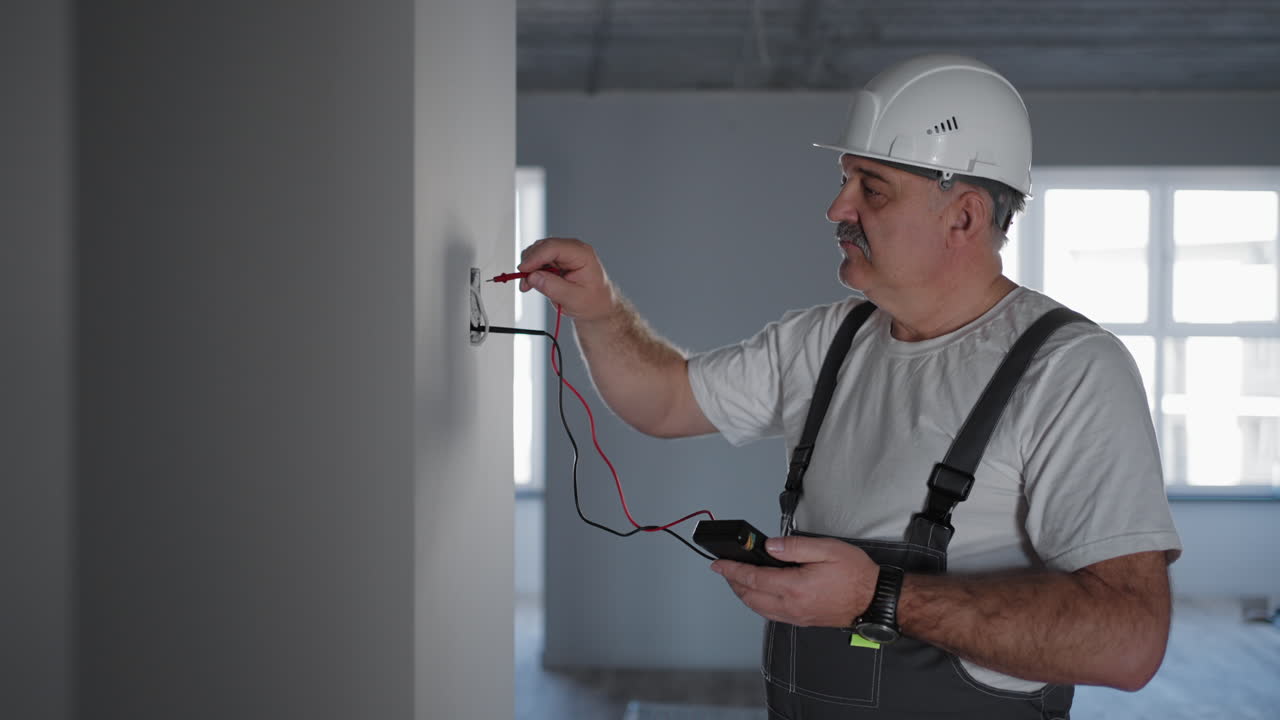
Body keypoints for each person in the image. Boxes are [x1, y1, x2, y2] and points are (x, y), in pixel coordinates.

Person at [517, 54, 1181, 719]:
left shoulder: (1070, 371)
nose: (837, 208)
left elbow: (1128, 640)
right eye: (845, 182)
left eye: (873, 188)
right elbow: (664, 400)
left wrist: (879, 597)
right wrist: (600, 310)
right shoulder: (826, 342)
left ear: (964, 218)